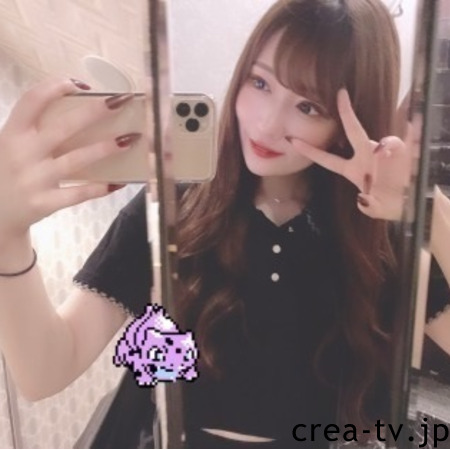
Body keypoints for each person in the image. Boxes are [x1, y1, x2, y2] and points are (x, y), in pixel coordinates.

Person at [0, 0, 449, 448]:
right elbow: (45, 371)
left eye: (308, 106)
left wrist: (431, 215)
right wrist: (7, 231)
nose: (266, 124)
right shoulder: (176, 203)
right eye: (260, 82)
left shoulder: (380, 234)